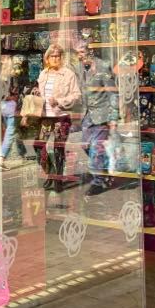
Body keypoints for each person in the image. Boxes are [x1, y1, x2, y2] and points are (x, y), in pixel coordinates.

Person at [35, 43, 81, 191]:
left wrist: (60, 101)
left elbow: (76, 96)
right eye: (52, 56)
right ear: (47, 58)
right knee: (38, 146)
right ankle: (50, 173)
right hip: (45, 117)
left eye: (58, 56)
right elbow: (41, 93)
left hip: (61, 117)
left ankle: (58, 181)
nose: (55, 58)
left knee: (58, 149)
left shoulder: (68, 74)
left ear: (61, 58)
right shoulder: (43, 74)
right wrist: (37, 93)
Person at [76, 42, 119, 195]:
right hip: (87, 115)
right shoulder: (81, 68)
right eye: (78, 53)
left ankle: (98, 182)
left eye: (81, 52)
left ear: (90, 51)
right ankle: (105, 168)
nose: (79, 56)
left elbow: (112, 93)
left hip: (102, 114)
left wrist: (113, 118)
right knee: (85, 145)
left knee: (96, 149)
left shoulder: (103, 66)